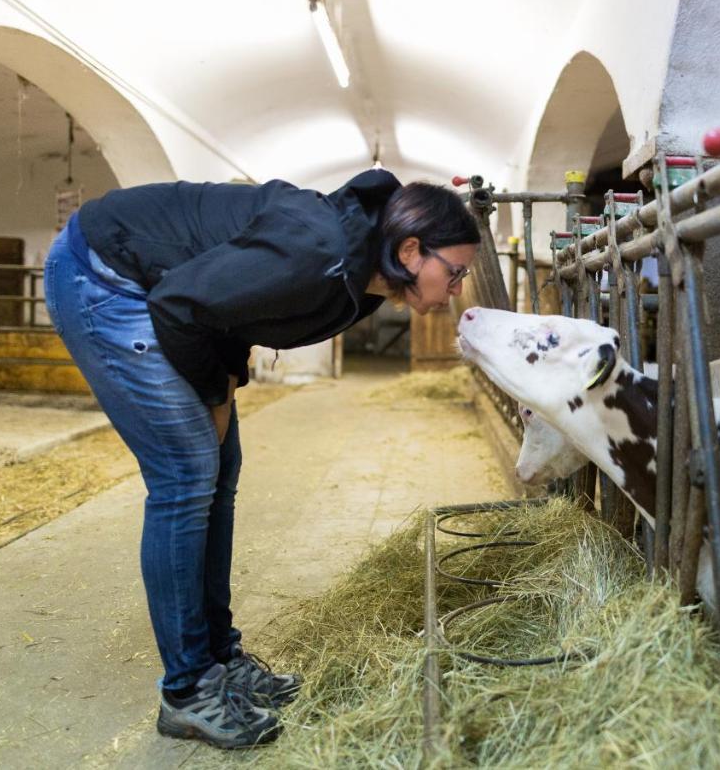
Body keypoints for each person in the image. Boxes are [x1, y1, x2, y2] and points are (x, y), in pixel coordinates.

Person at [43, 170, 480, 748]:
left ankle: (219, 657)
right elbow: (182, 305)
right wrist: (214, 392)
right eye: (455, 273)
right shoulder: (319, 252)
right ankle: (188, 690)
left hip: (168, 294)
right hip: (105, 274)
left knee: (219, 472)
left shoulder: (363, 284)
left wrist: (222, 387)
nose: (456, 288)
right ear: (408, 250)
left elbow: (236, 311)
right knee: (186, 475)